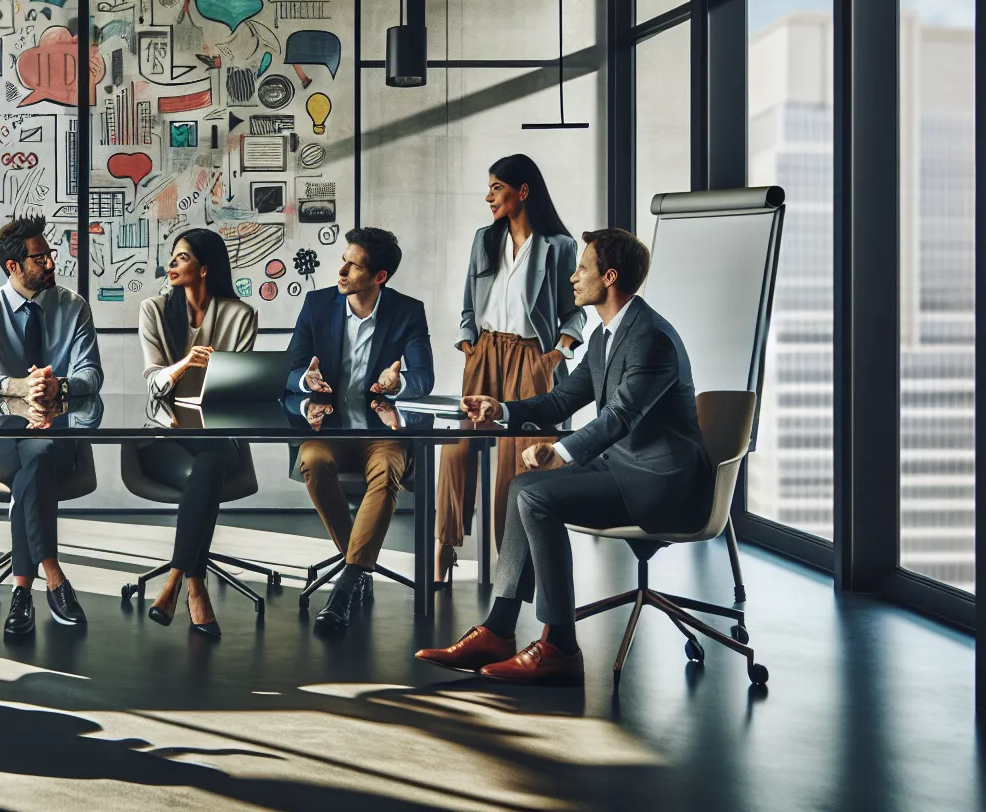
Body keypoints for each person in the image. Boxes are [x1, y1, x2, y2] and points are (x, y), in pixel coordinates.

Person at [415, 228, 710, 684]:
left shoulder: (651, 338)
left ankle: (559, 647)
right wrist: (503, 409)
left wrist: (561, 452)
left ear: (609, 278)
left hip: (660, 481)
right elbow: (559, 400)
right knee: (521, 487)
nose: (573, 278)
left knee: (536, 497)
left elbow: (620, 418)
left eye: (583, 269)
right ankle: (498, 630)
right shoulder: (607, 335)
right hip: (624, 467)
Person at [436, 155, 586, 584]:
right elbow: (469, 300)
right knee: (456, 447)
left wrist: (556, 355)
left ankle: (512, 563)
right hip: (484, 353)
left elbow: (574, 312)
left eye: (497, 187)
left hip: (530, 358)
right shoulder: (484, 239)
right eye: (489, 187)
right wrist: (469, 341)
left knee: (516, 461)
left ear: (523, 191)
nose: (489, 196)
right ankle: (445, 545)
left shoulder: (559, 246)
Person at [0, 215, 104, 638]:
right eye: (40, 258)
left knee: (35, 460)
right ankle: (54, 576)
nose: (51, 264)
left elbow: (92, 375)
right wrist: (15, 386)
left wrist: (60, 385)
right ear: (13, 267)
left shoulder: (73, 306)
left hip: (56, 438)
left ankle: (22, 590)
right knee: (31, 460)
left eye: (50, 254)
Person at [284, 226, 434, 633]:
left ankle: (344, 586)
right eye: (344, 259)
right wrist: (305, 381)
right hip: (328, 429)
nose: (343, 269)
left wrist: (398, 383)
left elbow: (424, 377)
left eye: (354, 264)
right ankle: (360, 565)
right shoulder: (317, 305)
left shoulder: (407, 311)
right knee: (311, 460)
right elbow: (290, 368)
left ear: (379, 276)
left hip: (381, 430)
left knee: (387, 472)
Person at [135, 228, 258, 636]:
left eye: (182, 257)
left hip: (216, 434)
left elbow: (235, 388)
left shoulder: (241, 315)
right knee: (209, 466)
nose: (171, 264)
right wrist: (186, 363)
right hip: (163, 436)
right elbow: (153, 383)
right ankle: (194, 583)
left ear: (204, 268)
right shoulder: (153, 310)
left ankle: (176, 578)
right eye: (172, 256)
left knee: (210, 459)